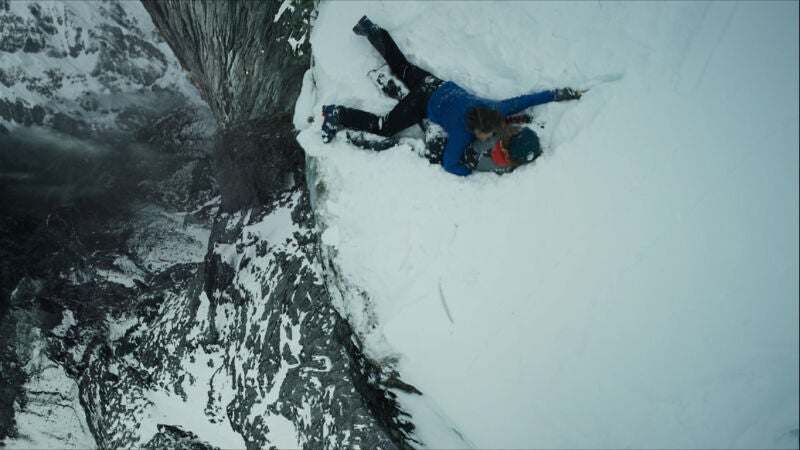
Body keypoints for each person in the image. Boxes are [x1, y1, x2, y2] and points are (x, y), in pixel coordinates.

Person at [321, 15, 582, 176]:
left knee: (402, 67)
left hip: (439, 86)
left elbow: (526, 99)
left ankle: (372, 30)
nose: (487, 138)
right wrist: (468, 170)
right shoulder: (461, 132)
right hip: (424, 100)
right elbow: (450, 165)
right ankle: (338, 113)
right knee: (384, 126)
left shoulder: (496, 108)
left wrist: (557, 94)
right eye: (485, 135)